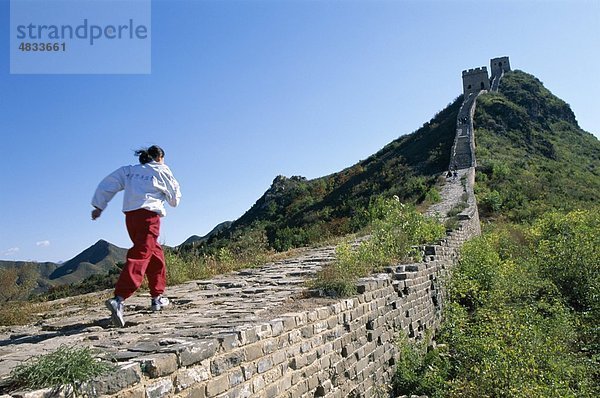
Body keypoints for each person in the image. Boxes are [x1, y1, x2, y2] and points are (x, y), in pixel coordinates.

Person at [91, 145, 181, 327]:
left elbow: (107, 184)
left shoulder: (129, 171)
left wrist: (99, 205)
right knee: (141, 253)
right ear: (160, 157)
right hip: (149, 216)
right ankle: (119, 298)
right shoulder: (161, 169)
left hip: (131, 217)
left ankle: (157, 297)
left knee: (155, 256)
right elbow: (174, 200)